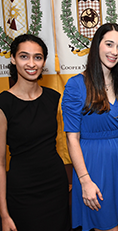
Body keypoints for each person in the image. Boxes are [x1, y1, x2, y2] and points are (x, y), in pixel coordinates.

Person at [62, 23, 118, 231]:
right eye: (109, 44)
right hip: (94, 168)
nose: (114, 52)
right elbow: (72, 138)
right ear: (97, 45)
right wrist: (85, 180)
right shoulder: (76, 85)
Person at [0, 34, 70, 230]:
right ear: (13, 59)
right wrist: (4, 214)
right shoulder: (4, 103)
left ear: (44, 61)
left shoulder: (54, 98)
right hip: (22, 192)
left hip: (55, 187)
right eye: (24, 56)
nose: (31, 63)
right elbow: (0, 162)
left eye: (37, 57)